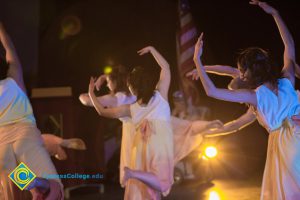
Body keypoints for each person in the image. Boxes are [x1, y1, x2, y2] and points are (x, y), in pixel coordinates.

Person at [193, 0, 300, 198]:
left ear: (249, 73)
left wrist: (198, 61)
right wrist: (275, 13)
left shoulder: (255, 97)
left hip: (287, 148)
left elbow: (212, 91)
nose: (240, 74)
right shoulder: (287, 79)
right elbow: (289, 44)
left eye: (242, 71)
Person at [0, 22, 63, 200]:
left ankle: (35, 191)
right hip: (25, 135)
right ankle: (38, 185)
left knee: (19, 174)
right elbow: (8, 45)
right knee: (55, 188)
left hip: (2, 146)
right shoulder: (14, 77)